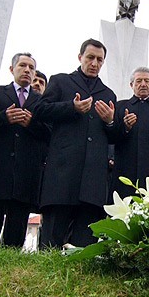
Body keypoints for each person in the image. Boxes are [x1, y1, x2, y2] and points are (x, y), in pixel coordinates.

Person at [34, 39, 118, 248]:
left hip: (92, 182)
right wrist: (71, 107)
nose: (94, 63)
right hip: (62, 175)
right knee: (51, 244)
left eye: (100, 60)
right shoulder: (61, 81)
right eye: (90, 58)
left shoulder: (108, 94)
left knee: (84, 247)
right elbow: (40, 111)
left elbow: (114, 137)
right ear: (80, 57)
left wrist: (110, 121)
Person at [0, 53, 50, 247]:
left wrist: (31, 123)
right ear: (12, 69)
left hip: (25, 175)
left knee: (14, 237)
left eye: (31, 68)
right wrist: (3, 118)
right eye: (23, 66)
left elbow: (50, 134)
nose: (27, 70)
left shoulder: (42, 102)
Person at [110, 67, 149, 199]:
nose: (143, 84)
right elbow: (111, 137)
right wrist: (125, 127)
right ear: (131, 85)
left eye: (147, 81)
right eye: (139, 81)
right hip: (124, 171)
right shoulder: (120, 107)